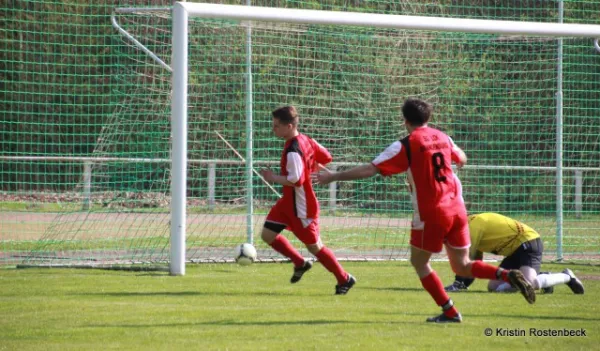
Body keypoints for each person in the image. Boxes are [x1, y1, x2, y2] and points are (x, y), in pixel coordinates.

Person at [313, 98, 535, 323]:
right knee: (463, 265)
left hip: (432, 213)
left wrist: (334, 176)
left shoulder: (406, 144)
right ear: (428, 118)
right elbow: (463, 158)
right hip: (458, 210)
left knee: (419, 263)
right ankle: (507, 275)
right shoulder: (443, 137)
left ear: (405, 120)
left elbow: (370, 169)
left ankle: (450, 311)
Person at [260, 105, 356, 295]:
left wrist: (272, 178)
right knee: (267, 235)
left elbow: (296, 180)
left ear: (289, 126)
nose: (273, 129)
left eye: (276, 126)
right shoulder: (306, 140)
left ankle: (344, 278)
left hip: (301, 206)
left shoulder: (293, 150)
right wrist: (312, 164)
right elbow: (327, 156)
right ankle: (299, 263)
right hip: (287, 203)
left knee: (315, 248)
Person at [444, 212, 584, 295]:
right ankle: (545, 278)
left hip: (528, 242)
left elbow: (466, 260)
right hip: (513, 251)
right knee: (493, 287)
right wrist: (463, 285)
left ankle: (567, 276)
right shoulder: (470, 225)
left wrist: (458, 284)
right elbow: (475, 264)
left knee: (529, 283)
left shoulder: (470, 227)